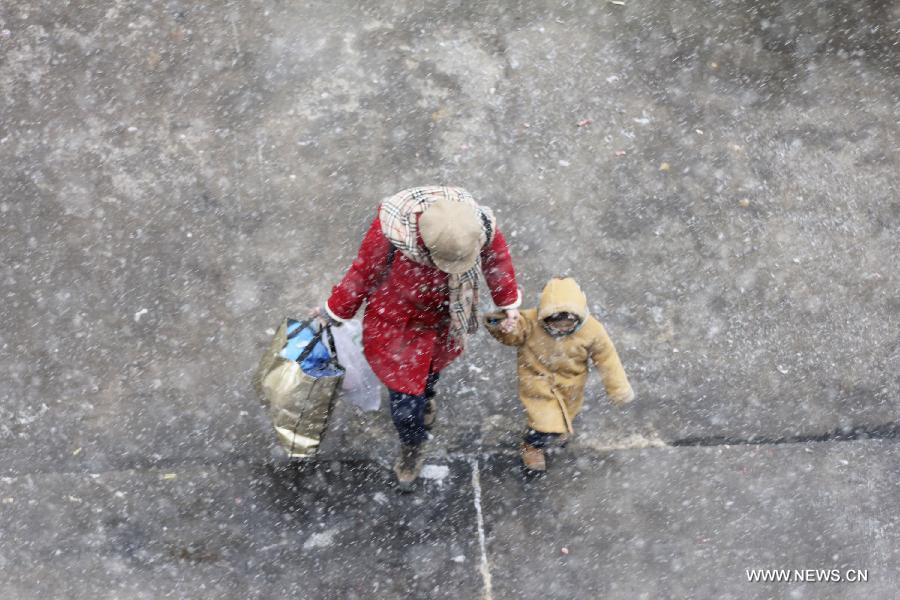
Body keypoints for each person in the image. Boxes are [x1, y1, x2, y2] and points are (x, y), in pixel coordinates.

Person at [315, 186, 521, 490]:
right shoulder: (392, 231)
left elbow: (498, 262)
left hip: (444, 317)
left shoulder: (477, 226)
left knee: (429, 375)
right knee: (404, 400)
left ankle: (427, 398)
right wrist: (334, 312)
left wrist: (508, 305)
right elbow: (363, 272)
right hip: (398, 324)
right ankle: (412, 444)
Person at [484, 276, 634, 472]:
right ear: (545, 317)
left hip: (571, 382)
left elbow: (607, 359)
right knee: (542, 421)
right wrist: (502, 324)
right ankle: (532, 446)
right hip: (537, 380)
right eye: (555, 324)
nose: (562, 328)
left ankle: (556, 432)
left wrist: (618, 388)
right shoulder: (530, 322)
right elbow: (512, 335)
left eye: (568, 324)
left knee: (565, 415)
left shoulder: (593, 330)